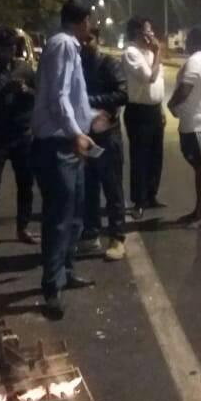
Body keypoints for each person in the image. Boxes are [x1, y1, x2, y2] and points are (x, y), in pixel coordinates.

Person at [30, 1, 109, 319]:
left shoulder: (67, 46)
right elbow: (59, 97)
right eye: (90, 21)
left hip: (69, 144)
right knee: (59, 218)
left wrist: (90, 118)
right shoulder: (63, 44)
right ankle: (51, 287)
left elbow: (71, 99)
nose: (91, 26)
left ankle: (67, 271)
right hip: (57, 146)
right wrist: (77, 133)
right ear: (82, 21)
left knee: (75, 214)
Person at [0, 26, 39, 250]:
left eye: (11, 47)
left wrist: (25, 91)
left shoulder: (25, 69)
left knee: (26, 183)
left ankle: (23, 227)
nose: (8, 52)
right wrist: (4, 91)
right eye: (3, 48)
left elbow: (38, 96)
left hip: (23, 134)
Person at [79, 27, 129, 261]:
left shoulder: (108, 64)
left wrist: (90, 102)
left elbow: (122, 94)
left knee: (112, 187)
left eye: (90, 39)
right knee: (88, 187)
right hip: (85, 134)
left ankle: (117, 237)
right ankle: (91, 233)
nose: (85, 43)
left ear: (98, 40)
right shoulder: (77, 63)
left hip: (107, 134)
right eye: (82, 39)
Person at [168, 29, 201, 229]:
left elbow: (185, 88)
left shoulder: (196, 61)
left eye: (187, 41)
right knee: (200, 167)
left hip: (197, 125)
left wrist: (172, 105)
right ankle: (199, 211)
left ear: (193, 42)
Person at [121, 17, 166, 220]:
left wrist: (161, 109)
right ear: (137, 33)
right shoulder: (131, 54)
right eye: (147, 31)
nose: (152, 35)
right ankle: (138, 201)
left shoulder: (149, 52)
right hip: (138, 111)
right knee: (140, 157)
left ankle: (151, 195)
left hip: (154, 109)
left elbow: (159, 84)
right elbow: (150, 78)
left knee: (156, 156)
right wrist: (158, 54)